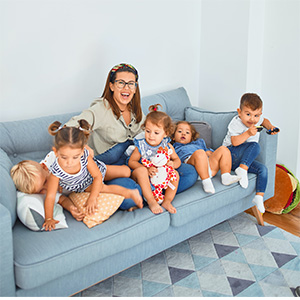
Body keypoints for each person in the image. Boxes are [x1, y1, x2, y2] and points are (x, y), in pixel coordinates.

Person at [65, 63, 198, 208]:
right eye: (121, 83)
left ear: (135, 88)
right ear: (111, 86)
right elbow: (68, 128)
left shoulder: (135, 110)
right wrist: (83, 146)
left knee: (190, 173)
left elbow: (154, 133)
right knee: (131, 196)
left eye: (131, 84)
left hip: (139, 161)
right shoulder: (101, 108)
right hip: (112, 168)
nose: (126, 88)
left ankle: (153, 192)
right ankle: (151, 192)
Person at [43, 120, 143, 231]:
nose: (69, 162)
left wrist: (93, 198)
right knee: (104, 188)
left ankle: (131, 162)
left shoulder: (85, 157)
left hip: (96, 173)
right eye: (64, 157)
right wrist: (48, 218)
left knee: (126, 172)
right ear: (56, 152)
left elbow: (97, 176)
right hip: (84, 186)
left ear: (82, 152)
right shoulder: (55, 172)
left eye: (75, 157)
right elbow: (50, 196)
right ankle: (130, 193)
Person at [222, 93, 280, 213]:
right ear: (239, 112)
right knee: (255, 145)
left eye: (256, 115)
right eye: (248, 114)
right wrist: (248, 133)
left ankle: (259, 196)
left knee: (263, 169)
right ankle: (242, 169)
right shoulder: (236, 123)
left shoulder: (257, 121)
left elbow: (265, 121)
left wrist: (270, 127)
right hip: (229, 156)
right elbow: (234, 142)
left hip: (243, 159)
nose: (252, 119)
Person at [128, 104, 181, 214]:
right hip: (143, 176)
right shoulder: (142, 145)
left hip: (160, 177)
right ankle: (151, 201)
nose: (151, 136)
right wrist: (146, 169)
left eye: (156, 133)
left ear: (165, 133)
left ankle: (167, 201)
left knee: (175, 174)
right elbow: (131, 162)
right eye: (148, 131)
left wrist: (173, 164)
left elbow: (177, 160)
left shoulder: (167, 146)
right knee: (141, 171)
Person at [172, 121, 240, 194]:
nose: (183, 133)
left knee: (223, 149)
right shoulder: (173, 147)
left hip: (209, 167)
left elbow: (211, 152)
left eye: (187, 132)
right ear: (173, 137)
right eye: (179, 131)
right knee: (200, 153)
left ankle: (226, 176)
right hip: (192, 166)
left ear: (191, 137)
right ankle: (206, 182)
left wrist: (209, 153)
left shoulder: (199, 143)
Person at [10, 159, 85, 223]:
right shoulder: (45, 194)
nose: (47, 187)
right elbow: (62, 200)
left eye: (45, 181)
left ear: (45, 167)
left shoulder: (54, 162)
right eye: (40, 191)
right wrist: (71, 208)